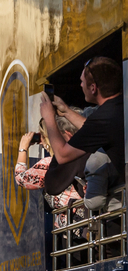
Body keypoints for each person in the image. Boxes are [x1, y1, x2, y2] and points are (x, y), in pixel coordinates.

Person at [42, 56, 124, 210]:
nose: (80, 85)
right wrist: (66, 111)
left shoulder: (103, 118)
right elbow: (94, 130)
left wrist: (49, 119)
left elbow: (62, 155)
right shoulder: (118, 107)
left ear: (93, 88)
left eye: (82, 82)